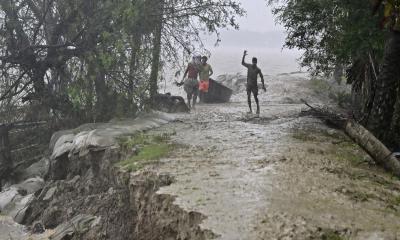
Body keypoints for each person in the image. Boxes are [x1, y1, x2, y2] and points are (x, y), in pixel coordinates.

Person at [242, 50, 266, 115]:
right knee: (248, 97)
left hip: (254, 86)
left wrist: (263, 85)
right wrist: (244, 55)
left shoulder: (258, 69)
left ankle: (258, 108)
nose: (254, 64)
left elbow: (262, 77)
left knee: (255, 97)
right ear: (252, 62)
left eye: (255, 63)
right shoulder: (249, 66)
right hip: (249, 85)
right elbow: (242, 63)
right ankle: (250, 110)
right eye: (254, 63)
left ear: (256, 62)